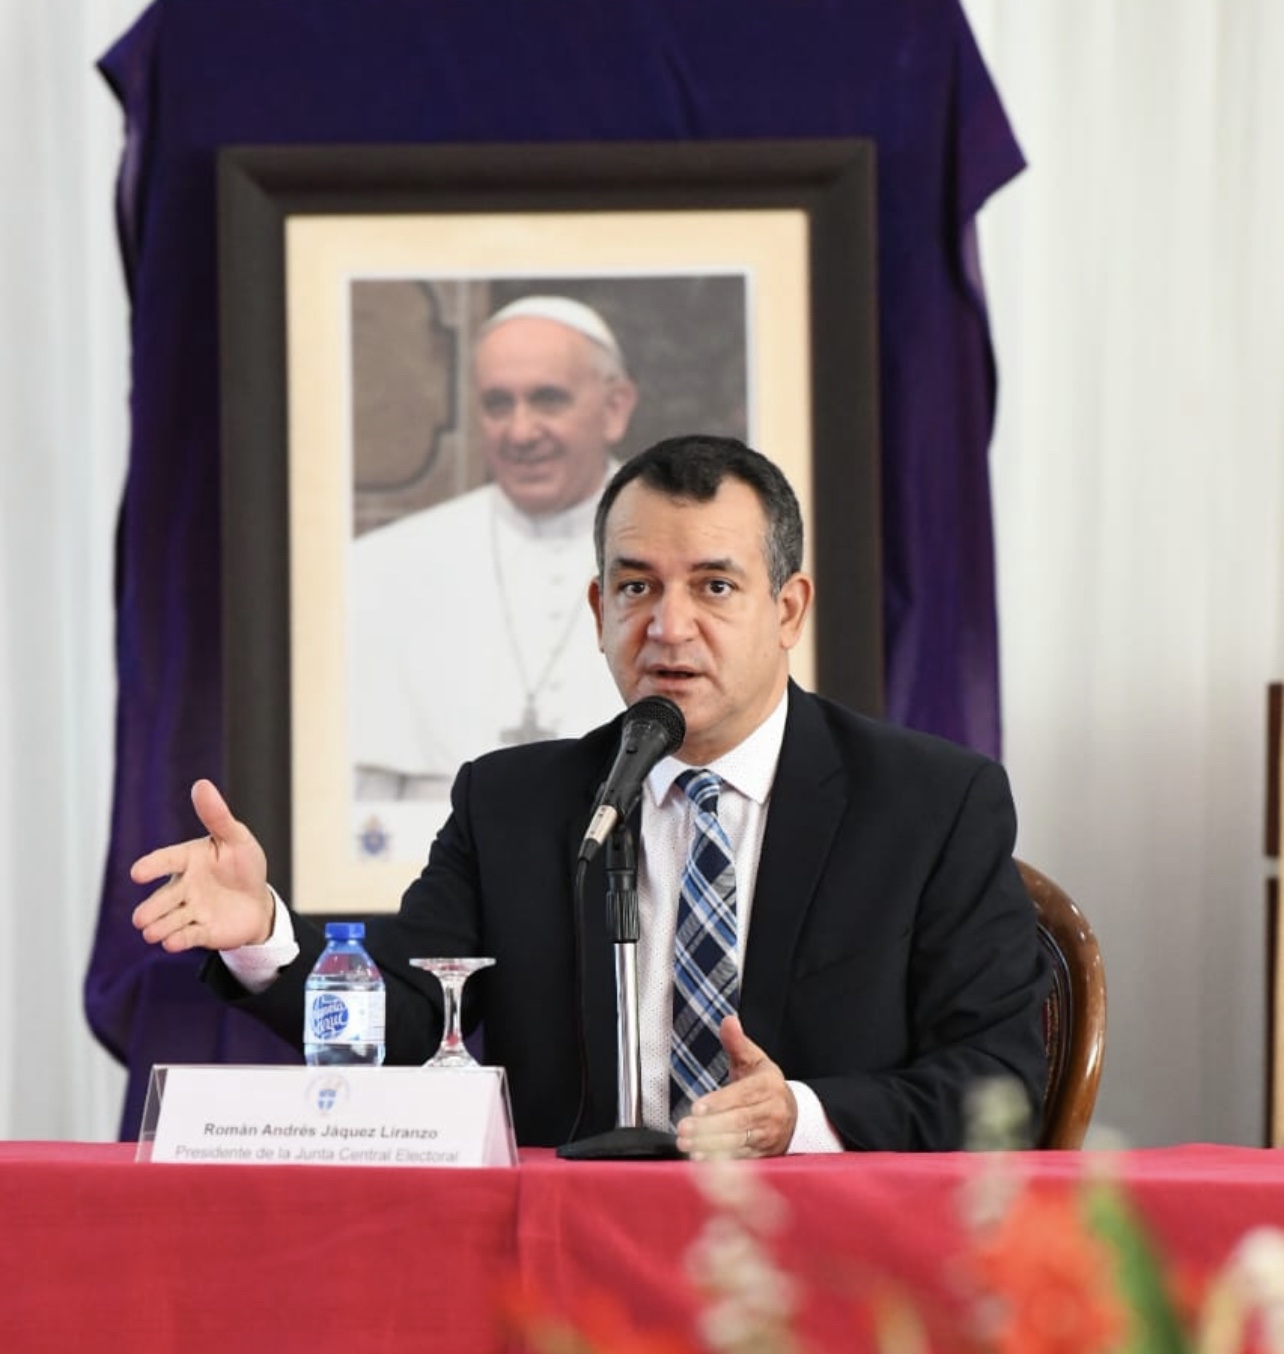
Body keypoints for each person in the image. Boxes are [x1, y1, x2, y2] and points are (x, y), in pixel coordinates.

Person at [131, 434, 1049, 1156]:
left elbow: (1000, 1079)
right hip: (565, 1259)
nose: (669, 626)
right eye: (637, 586)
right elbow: (411, 1020)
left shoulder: (930, 802)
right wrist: (265, 935)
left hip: (820, 1258)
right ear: (599, 609)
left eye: (715, 586)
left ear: (787, 609)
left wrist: (800, 1117)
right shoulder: (512, 803)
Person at [352, 294, 638, 802]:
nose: (520, 432)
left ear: (614, 409)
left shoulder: (682, 553)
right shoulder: (382, 566)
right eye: (498, 404)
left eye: (548, 399)